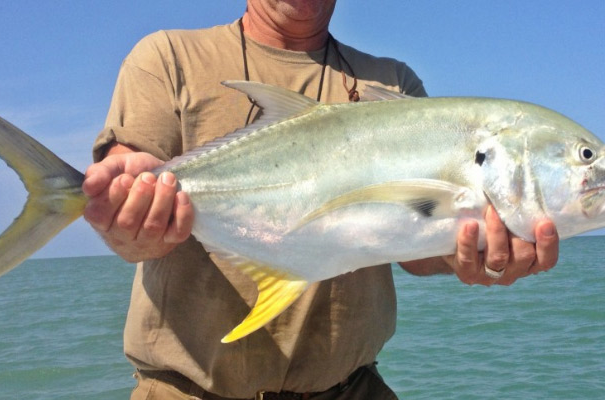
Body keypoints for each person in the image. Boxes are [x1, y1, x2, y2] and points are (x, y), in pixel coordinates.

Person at [82, 1, 560, 398]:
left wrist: (474, 254)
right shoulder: (169, 58)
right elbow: (131, 213)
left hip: (353, 388)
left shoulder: (392, 85)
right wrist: (123, 211)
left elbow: (417, 247)